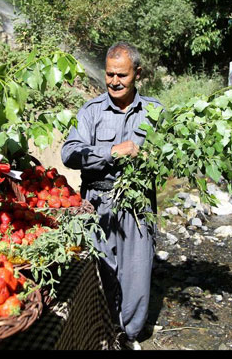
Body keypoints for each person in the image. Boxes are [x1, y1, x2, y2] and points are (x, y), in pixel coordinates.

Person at [61, 42, 162, 350]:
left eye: (122, 75)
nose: (115, 81)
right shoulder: (91, 112)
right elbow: (69, 153)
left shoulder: (156, 112)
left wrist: (150, 156)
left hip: (137, 207)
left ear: (138, 74)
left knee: (136, 278)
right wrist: (112, 152)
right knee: (99, 275)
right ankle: (102, 334)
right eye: (109, 74)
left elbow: (171, 157)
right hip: (98, 204)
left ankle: (128, 336)